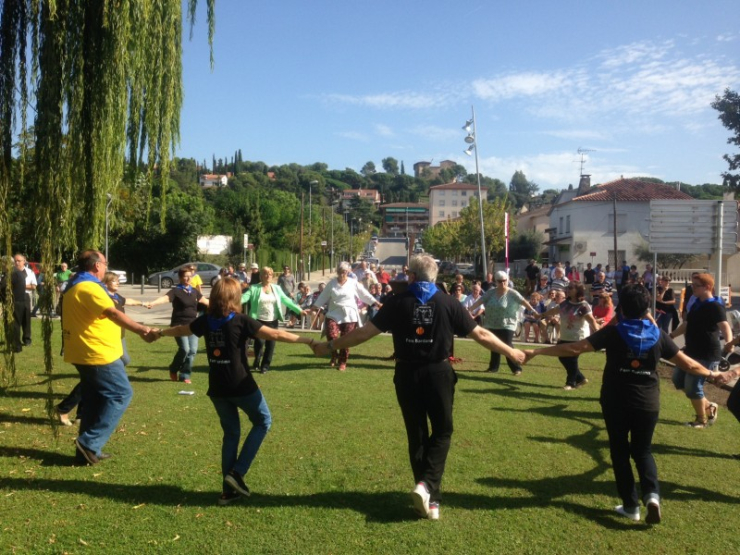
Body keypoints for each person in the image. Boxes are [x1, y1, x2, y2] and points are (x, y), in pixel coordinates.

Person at [311, 254, 526, 520]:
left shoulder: (397, 302)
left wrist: (330, 346)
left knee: (417, 434)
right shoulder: (448, 302)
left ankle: (428, 497)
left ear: (411, 276)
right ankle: (427, 489)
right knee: (443, 430)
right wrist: (511, 352)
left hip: (406, 373)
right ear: (434, 277)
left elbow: (364, 333)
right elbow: (480, 334)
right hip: (438, 373)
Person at [524, 284, 722, 524]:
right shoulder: (659, 335)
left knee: (619, 451)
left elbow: (575, 348)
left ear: (621, 308)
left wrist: (536, 351)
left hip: (615, 400)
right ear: (646, 309)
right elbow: (689, 365)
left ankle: (631, 506)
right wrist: (713, 376)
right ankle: (652, 497)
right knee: (643, 451)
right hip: (648, 403)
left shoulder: (613, 332)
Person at [148, 277, 316, 505]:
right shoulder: (240, 320)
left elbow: (182, 329)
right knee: (263, 421)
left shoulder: (206, 320)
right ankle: (237, 473)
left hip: (217, 388)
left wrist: (159, 333)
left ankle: (228, 492)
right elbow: (275, 334)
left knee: (231, 434)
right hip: (241, 385)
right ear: (234, 297)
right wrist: (308, 340)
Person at [62, 250, 152, 465]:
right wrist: (141, 330)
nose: (106, 266)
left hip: (83, 351)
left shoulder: (76, 284)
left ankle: (86, 451)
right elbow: (112, 313)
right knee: (121, 394)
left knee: (94, 400)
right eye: (105, 263)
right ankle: (89, 443)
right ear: (97, 266)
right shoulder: (89, 287)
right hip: (97, 353)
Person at [669, 273, 730, 428]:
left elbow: (725, 325)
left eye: (696, 285)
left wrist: (729, 343)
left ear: (707, 287)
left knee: (693, 386)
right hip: (690, 350)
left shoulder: (715, 305)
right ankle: (710, 406)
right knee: (678, 380)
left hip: (707, 353)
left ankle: (701, 420)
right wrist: (671, 335)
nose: (692, 288)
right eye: (692, 285)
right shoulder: (696, 303)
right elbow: (686, 324)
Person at [310, 261, 378, 371]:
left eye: (345, 272)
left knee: (346, 339)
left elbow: (364, 294)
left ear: (348, 272)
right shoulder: (332, 284)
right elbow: (323, 296)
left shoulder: (353, 283)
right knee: (331, 335)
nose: (343, 274)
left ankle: (342, 361)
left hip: (350, 315)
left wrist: (375, 303)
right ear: (337, 272)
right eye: (341, 272)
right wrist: (314, 306)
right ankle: (334, 355)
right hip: (333, 313)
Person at [147, 266, 209, 383]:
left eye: (190, 276)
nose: (188, 278)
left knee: (193, 351)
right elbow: (165, 298)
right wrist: (153, 303)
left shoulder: (194, 291)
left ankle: (185, 375)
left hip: (192, 325)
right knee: (185, 349)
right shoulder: (176, 291)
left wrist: (223, 307)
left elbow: (206, 302)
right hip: (179, 325)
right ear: (180, 278)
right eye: (185, 276)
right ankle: (174, 368)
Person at [467, 270, 537, 375]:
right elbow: (480, 301)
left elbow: (524, 302)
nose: (503, 283)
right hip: (492, 323)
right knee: (493, 345)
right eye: (500, 281)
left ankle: (516, 368)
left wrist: (534, 311)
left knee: (507, 345)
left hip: (508, 323)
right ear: (496, 281)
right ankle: (493, 367)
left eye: (505, 281)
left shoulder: (512, 293)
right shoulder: (490, 293)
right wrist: (470, 310)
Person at [241, 266, 306, 373]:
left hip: (273, 320)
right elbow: (243, 298)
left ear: (272, 276)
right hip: (258, 320)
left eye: (270, 274)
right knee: (259, 343)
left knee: (271, 345)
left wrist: (299, 310)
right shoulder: (254, 288)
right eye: (265, 274)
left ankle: (265, 366)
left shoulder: (277, 288)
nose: (268, 276)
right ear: (261, 276)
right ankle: (257, 361)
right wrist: (230, 304)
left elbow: (287, 301)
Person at [538, 281, 599, 389]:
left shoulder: (583, 306)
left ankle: (570, 383)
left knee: (571, 359)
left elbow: (592, 321)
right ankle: (580, 378)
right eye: (568, 287)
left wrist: (599, 337)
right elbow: (554, 310)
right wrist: (542, 314)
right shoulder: (565, 303)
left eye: (571, 288)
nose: (568, 289)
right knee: (562, 356)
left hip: (578, 337)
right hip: (565, 336)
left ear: (578, 291)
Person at [12, 254, 36, 346]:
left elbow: (33, 286)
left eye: (19, 260)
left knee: (26, 319)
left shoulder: (30, 272)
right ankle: (15, 339)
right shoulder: (11, 272)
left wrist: (20, 285)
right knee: (15, 320)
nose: (17, 262)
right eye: (15, 261)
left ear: (24, 261)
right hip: (15, 297)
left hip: (25, 296)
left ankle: (27, 339)